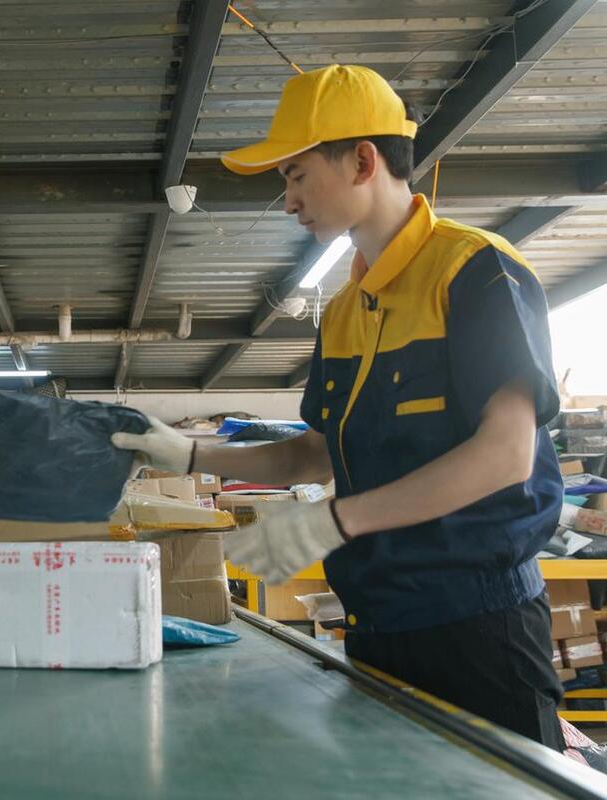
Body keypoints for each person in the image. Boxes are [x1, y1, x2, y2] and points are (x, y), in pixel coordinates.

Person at [113, 65, 565, 749]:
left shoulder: (474, 271)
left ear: (361, 161)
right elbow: (315, 453)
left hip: (478, 626)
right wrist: (190, 453)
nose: (289, 201)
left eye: (296, 176)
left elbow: (505, 455)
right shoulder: (349, 309)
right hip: (377, 620)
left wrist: (335, 520)